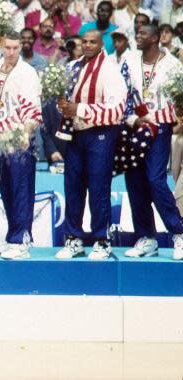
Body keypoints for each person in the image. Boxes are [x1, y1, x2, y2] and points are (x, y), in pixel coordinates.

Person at [55, 30, 128, 261]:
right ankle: (73, 239)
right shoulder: (73, 66)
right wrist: (63, 107)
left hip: (101, 134)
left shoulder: (110, 70)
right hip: (76, 133)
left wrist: (79, 109)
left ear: (101, 44)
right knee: (73, 187)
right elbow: (66, 101)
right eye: (84, 41)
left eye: (92, 42)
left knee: (98, 187)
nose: (87, 45)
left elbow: (117, 110)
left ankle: (102, 241)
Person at [121, 25, 183, 261]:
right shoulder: (128, 59)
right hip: (135, 126)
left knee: (155, 179)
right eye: (136, 32)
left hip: (160, 127)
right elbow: (123, 93)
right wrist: (133, 119)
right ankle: (146, 238)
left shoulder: (172, 65)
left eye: (142, 33)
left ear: (156, 38)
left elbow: (180, 97)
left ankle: (178, 232)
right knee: (135, 180)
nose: (137, 36)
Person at [0, 32, 42, 260]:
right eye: (7, 47)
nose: (11, 52)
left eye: (15, 48)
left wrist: (25, 134)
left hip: (19, 139)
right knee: (7, 190)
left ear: (20, 48)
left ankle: (22, 241)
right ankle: (12, 238)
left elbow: (33, 109)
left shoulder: (27, 73)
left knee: (21, 189)